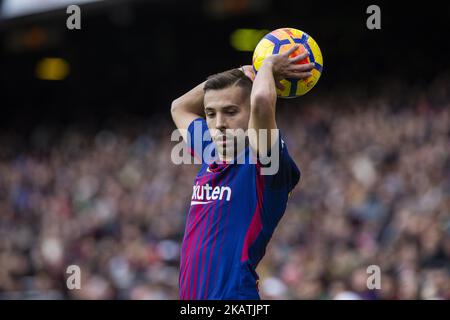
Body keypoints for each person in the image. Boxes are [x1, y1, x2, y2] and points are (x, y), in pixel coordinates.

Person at [171, 45, 314, 299]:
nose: (218, 124)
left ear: (252, 117)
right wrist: (239, 72)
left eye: (231, 111)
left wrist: (267, 67)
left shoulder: (266, 162)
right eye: (210, 114)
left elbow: (260, 101)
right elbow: (178, 107)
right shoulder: (212, 149)